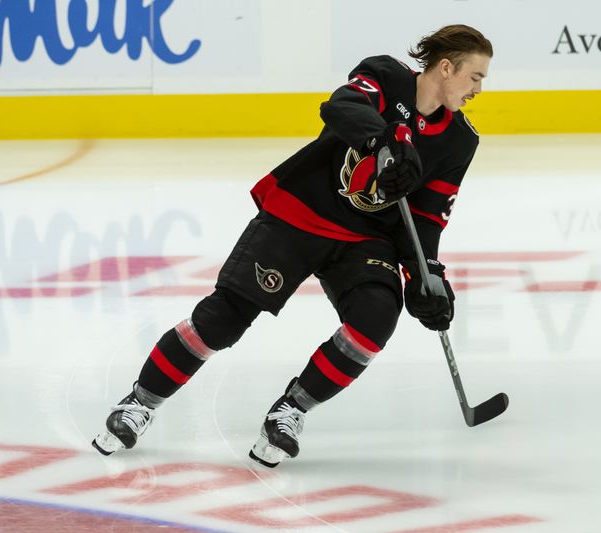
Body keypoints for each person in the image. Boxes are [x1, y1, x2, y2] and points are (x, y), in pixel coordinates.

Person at [93, 24, 493, 467]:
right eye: (475, 77)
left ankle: (290, 411)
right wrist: (382, 141)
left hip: (365, 239)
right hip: (301, 211)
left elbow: (427, 215)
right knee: (225, 317)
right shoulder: (387, 76)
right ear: (445, 67)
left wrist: (424, 274)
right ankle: (139, 403)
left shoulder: (460, 139)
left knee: (375, 318)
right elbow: (342, 106)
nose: (478, 89)